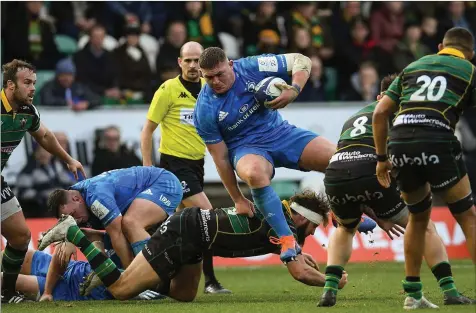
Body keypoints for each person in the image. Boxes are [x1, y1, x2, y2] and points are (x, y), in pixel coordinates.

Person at [319, 74, 475, 308]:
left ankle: (329, 288)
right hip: (372, 169)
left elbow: (354, 169)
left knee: (346, 228)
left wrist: (379, 213)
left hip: (336, 173)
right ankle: (449, 290)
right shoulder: (400, 114)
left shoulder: (353, 117)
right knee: (424, 225)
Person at [38, 190, 348, 301]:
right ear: (301, 218)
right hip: (182, 232)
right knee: (120, 290)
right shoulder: (282, 226)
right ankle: (75, 234)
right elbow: (297, 272)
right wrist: (332, 280)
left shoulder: (279, 217)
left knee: (184, 296)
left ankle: (141, 274)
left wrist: (304, 258)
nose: (308, 235)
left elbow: (294, 256)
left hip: (196, 239)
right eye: (310, 228)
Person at [193, 47, 337, 264]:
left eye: (220, 74)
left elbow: (300, 60)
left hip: (282, 134)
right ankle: (287, 239)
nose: (215, 81)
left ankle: (350, 215)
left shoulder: (251, 66)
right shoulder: (204, 110)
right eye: (208, 77)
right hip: (247, 149)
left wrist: (295, 89)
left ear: (230, 64)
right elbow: (221, 158)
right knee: (253, 173)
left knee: (339, 159)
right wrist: (238, 199)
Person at [373, 27, 476, 309]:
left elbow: (381, 112)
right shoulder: (468, 70)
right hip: (437, 139)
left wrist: (382, 159)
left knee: (417, 220)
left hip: (400, 143)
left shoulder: (413, 66)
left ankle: (413, 294)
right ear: (471, 53)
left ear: (441, 45)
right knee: (468, 217)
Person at [141, 41, 229, 294]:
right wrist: (149, 169)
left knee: (182, 228)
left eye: (196, 60)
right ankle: (211, 281)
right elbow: (147, 132)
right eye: (187, 60)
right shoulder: (167, 90)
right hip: (174, 166)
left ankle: (163, 284)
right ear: (179, 62)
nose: (192, 65)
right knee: (207, 217)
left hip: (196, 165)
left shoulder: (209, 88)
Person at [1, 59, 85, 303]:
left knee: (19, 236)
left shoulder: (28, 112)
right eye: (26, 83)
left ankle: (6, 293)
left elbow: (45, 136)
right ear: (10, 85)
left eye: (34, 83)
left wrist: (68, 159)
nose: (33, 88)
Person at [46, 166, 183, 269]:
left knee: (131, 223)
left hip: (164, 183)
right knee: (112, 237)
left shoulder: (96, 197)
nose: (76, 221)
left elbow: (117, 233)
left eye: (73, 215)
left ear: (77, 199)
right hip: (146, 192)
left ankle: (152, 276)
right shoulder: (75, 197)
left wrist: (131, 277)